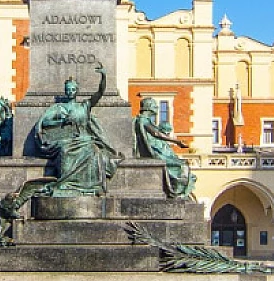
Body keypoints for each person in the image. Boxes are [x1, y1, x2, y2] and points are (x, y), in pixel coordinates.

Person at [35, 65, 121, 195]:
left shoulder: (84, 105)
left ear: (77, 91)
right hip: (65, 140)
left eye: (73, 89)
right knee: (65, 151)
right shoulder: (59, 107)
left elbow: (100, 93)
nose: (70, 92)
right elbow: (45, 123)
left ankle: (92, 186)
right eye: (68, 89)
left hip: (84, 139)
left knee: (94, 151)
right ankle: (65, 184)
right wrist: (61, 122)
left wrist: (104, 76)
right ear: (65, 91)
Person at [134, 98, 197, 198]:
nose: (157, 108)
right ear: (149, 107)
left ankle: (179, 190)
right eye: (155, 106)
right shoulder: (143, 120)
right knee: (181, 166)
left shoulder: (143, 120)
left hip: (154, 152)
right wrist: (177, 141)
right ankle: (176, 192)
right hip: (153, 154)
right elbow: (156, 133)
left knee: (182, 165)